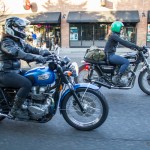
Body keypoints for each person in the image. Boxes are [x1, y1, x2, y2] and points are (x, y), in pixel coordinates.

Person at [0, 17, 51, 118]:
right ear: (12, 28)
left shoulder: (18, 41)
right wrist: (36, 57)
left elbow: (30, 48)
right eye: (21, 28)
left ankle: (29, 103)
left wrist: (43, 52)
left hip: (15, 71)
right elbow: (19, 53)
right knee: (26, 84)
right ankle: (15, 111)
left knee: (32, 76)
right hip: (4, 72)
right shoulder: (6, 42)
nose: (23, 31)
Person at [104, 21, 142, 86]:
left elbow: (124, 43)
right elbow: (123, 42)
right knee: (126, 62)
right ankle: (117, 79)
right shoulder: (114, 35)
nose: (121, 30)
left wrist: (133, 48)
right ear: (117, 28)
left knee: (125, 58)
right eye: (121, 28)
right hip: (110, 55)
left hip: (110, 54)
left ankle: (118, 75)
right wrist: (137, 47)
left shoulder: (114, 35)